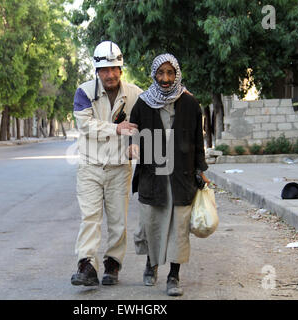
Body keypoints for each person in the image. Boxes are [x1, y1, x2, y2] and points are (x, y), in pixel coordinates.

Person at [128, 53, 209, 296]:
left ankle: (174, 275)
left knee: (179, 228)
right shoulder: (142, 103)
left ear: (177, 74)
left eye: (170, 73)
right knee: (152, 224)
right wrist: (132, 146)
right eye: (161, 73)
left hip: (181, 177)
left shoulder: (190, 103)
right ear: (154, 75)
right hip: (152, 177)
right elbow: (133, 133)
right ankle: (151, 265)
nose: (165, 78)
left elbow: (198, 140)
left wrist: (200, 170)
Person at [71, 41, 143, 287]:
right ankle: (87, 265)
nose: (110, 74)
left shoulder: (135, 94)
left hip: (119, 168)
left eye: (114, 68)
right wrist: (117, 128)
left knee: (118, 220)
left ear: (121, 69)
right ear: (97, 70)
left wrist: (180, 92)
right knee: (90, 217)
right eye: (105, 69)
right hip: (90, 166)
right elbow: (85, 125)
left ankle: (113, 263)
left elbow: (154, 107)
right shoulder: (84, 92)